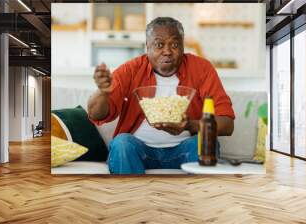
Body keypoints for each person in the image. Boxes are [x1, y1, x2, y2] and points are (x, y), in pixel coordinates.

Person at [88, 17, 235, 174]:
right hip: (139, 151)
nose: (167, 51)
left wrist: (188, 125)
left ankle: (198, 197)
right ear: (147, 47)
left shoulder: (202, 69)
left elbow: (227, 124)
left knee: (206, 141)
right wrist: (103, 91)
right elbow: (95, 114)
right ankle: (131, 196)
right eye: (159, 45)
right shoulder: (131, 70)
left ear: (183, 46)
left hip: (184, 149)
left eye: (175, 44)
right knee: (122, 143)